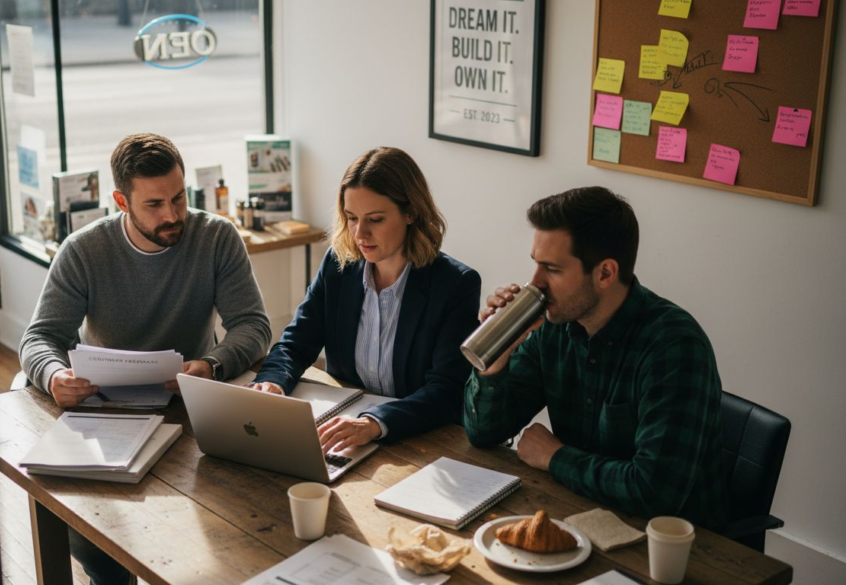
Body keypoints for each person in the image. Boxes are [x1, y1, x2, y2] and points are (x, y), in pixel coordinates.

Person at [19, 132, 271, 585]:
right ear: (121, 200)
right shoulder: (84, 250)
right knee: (100, 543)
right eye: (154, 205)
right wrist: (55, 375)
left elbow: (253, 325)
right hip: (103, 411)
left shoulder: (216, 238)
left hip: (189, 408)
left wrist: (211, 365)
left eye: (179, 198)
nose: (173, 215)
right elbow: (40, 337)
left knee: (229, 526)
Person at [464, 186, 727, 530]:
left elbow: (654, 492)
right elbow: (484, 433)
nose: (535, 283)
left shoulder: (674, 346)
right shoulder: (554, 327)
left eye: (552, 269)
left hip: (673, 549)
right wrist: (497, 357)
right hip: (581, 516)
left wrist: (555, 456)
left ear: (605, 273)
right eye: (535, 265)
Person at [249, 147, 481, 452]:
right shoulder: (338, 265)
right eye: (351, 218)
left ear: (411, 212)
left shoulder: (455, 284)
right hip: (345, 430)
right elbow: (296, 342)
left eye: (375, 219)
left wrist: (374, 422)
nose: (360, 233)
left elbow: (447, 390)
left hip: (419, 438)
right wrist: (273, 382)